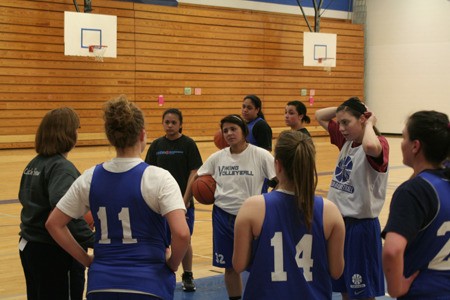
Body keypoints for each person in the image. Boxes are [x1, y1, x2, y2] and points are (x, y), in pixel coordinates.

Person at [46, 95, 190, 300]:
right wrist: (172, 264)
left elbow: (53, 224)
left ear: (110, 137)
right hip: (148, 284)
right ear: (142, 134)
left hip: (101, 285)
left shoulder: (89, 177)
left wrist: (87, 260)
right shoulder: (159, 177)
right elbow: (182, 234)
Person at [233, 130, 345, 299]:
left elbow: (238, 264)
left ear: (277, 165)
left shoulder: (252, 207)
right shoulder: (330, 211)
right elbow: (337, 271)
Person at [194, 114, 276, 300]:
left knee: (258, 265)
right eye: (225, 131)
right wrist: (190, 195)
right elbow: (198, 177)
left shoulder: (261, 155)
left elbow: (280, 180)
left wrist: (270, 202)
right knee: (230, 267)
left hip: (252, 217)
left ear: (244, 131)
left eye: (233, 129)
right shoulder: (217, 157)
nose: (229, 133)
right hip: (223, 216)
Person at [315, 97, 389, 300]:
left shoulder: (378, 143)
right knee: (344, 285)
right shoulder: (346, 141)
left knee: (362, 289)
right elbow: (319, 115)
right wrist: (344, 108)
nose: (341, 128)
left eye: (346, 122)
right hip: (339, 224)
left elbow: (370, 148)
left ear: (363, 120)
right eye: (339, 123)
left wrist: (371, 122)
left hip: (360, 228)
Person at [18, 107, 94, 300]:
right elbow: (63, 216)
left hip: (30, 247)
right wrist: (95, 242)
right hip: (54, 252)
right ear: (67, 133)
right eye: (76, 129)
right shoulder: (61, 168)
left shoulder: (35, 164)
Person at [382, 110, 450, 299]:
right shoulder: (440, 182)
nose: (401, 143)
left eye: (404, 137)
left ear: (415, 146)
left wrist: (396, 288)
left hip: (425, 291)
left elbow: (392, 250)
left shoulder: (414, 192)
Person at [144, 108, 203, 292]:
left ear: (180, 124)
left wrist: (185, 199)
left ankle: (187, 275)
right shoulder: (156, 145)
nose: (169, 126)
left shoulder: (188, 144)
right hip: (159, 204)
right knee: (160, 240)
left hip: (182, 203)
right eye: (166, 122)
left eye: (173, 122)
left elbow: (194, 172)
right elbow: (148, 171)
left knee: (184, 239)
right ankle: (160, 274)